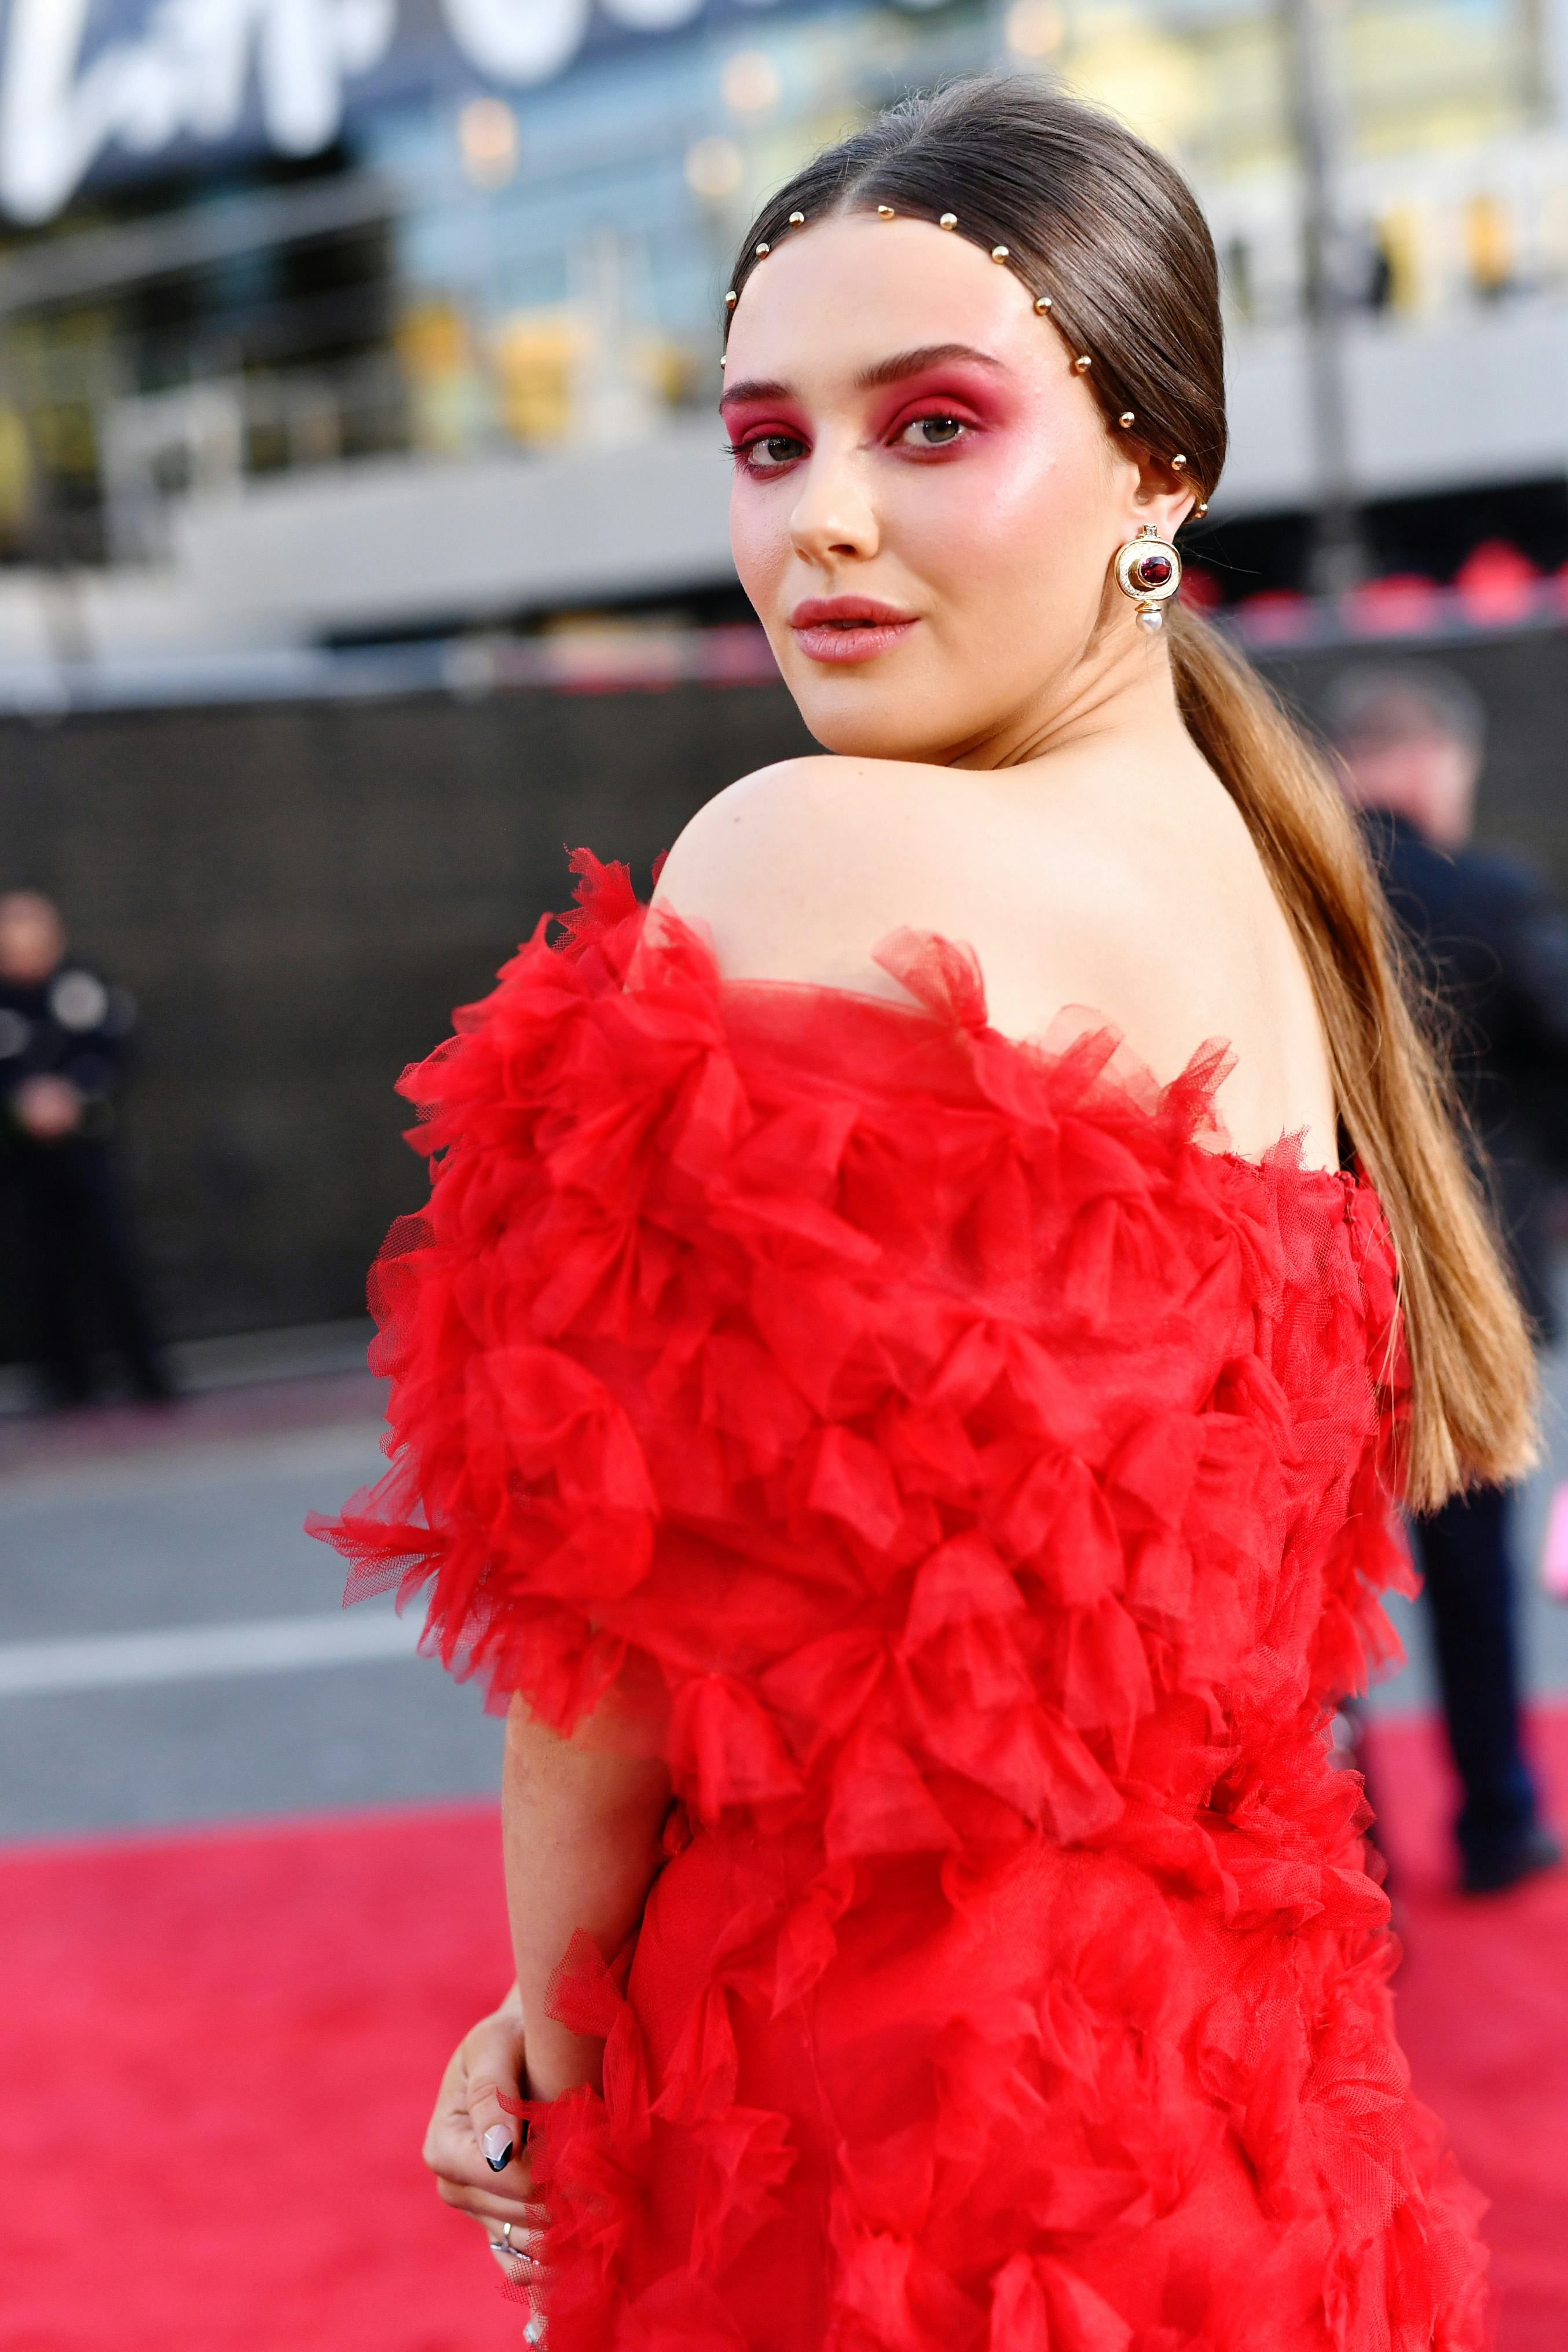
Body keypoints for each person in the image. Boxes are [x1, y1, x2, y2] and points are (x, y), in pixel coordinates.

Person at [316, 79, 1534, 2347]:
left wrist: (563, 2059)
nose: (825, 524)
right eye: (767, 445)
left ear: (1157, 462)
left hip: (888, 2136)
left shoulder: (816, 848)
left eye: (933, 424)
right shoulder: (1274, 898)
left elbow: (609, 1647)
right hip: (1250, 2125)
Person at [1329, 663, 1565, 1895]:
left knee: (1313, 1590)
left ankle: (1344, 1853)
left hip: (1316, 1291)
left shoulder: (1287, 904)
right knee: (1473, 1575)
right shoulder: (1491, 893)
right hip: (1468, 1292)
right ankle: (1494, 1820)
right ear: (1432, 764)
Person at [0, 888, 170, 1406]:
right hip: (21, 1160)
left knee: (113, 1259)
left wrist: (73, 1095)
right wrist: (23, 1103)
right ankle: (67, 1384)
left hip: (87, 1149)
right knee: (39, 1266)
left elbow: (114, 1048)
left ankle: (149, 1378)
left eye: (32, 930)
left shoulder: (84, 985)